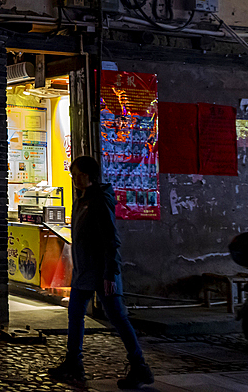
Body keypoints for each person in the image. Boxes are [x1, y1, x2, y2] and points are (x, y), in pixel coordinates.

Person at [49, 155, 154, 389]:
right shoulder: (81, 199)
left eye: (79, 174)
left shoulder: (99, 200)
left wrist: (110, 274)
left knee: (117, 317)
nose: (75, 179)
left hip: (103, 272)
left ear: (89, 175)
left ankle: (139, 366)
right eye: (73, 174)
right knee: (75, 314)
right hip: (84, 272)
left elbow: (111, 240)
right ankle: (74, 363)